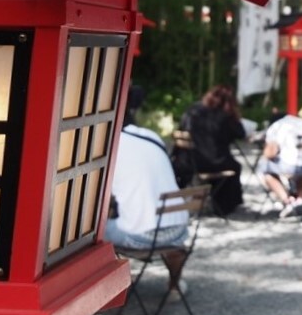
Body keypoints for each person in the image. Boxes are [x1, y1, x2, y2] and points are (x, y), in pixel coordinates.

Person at [105, 86, 188, 249]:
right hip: (179, 230)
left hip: (141, 236)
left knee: (88, 234)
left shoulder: (108, 145)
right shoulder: (151, 136)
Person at [174, 85, 245, 216]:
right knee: (235, 166)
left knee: (231, 165)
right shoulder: (223, 115)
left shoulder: (191, 111)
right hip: (212, 163)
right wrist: (235, 114)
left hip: (189, 163)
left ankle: (215, 203)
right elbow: (240, 133)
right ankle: (225, 206)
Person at [257, 113, 302, 218]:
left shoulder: (277, 126)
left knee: (265, 167)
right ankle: (300, 198)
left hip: (295, 166)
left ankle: (287, 201)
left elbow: (270, 154)